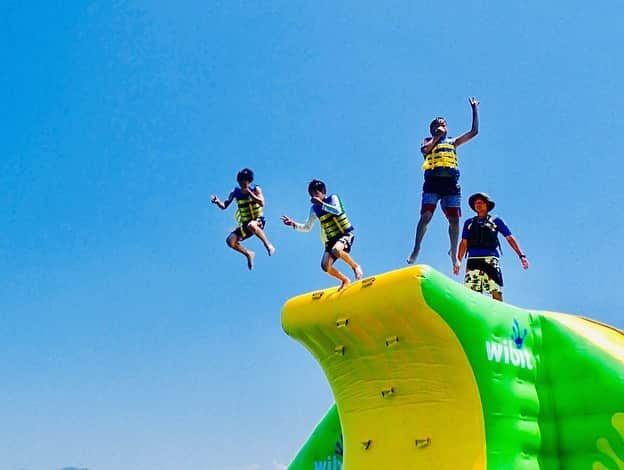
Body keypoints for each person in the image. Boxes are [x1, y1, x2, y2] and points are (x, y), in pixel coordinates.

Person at [407, 97, 480, 271]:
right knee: (426, 217)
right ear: (431, 130)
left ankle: (454, 255)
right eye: (436, 125)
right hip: (432, 183)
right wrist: (436, 137)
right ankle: (417, 248)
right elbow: (426, 150)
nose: (440, 126)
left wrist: (475, 110)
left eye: (443, 125)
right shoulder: (427, 142)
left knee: (454, 220)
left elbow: (474, 131)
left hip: (451, 184)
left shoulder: (453, 142)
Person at [281, 180, 363, 291]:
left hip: (345, 234)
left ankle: (355, 266)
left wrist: (322, 204)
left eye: (316, 194)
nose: (314, 197)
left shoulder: (333, 198)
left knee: (336, 250)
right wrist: (293, 224)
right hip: (331, 240)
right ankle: (345, 280)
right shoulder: (314, 209)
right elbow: (307, 227)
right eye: (311, 195)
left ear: (323, 191)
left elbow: (338, 211)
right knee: (325, 266)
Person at [453, 193, 529, 302]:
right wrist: (458, 261)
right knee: (471, 293)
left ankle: (500, 314)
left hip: (491, 260)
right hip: (473, 261)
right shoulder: (469, 223)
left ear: (487, 205)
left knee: (495, 290)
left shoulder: (496, 221)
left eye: (480, 203)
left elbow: (509, 238)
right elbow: (464, 243)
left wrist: (521, 256)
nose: (478, 205)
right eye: (476, 203)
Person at [211, 168, 275, 270]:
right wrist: (217, 201)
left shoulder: (255, 189)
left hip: (258, 220)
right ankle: (248, 254)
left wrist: (250, 193)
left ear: (249, 181)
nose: (242, 184)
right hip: (245, 224)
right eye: (240, 182)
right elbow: (224, 206)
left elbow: (262, 203)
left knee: (252, 225)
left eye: (245, 182)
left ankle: (268, 245)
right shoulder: (235, 192)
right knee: (230, 241)